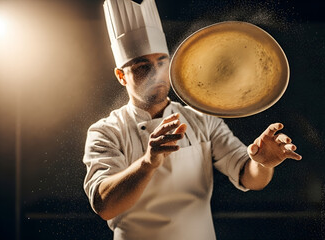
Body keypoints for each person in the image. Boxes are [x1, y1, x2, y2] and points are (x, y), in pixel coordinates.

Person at [83, 0, 302, 239]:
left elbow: (248, 177)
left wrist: (262, 163)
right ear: (121, 76)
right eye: (142, 67)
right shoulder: (105, 131)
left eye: (161, 63)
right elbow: (104, 206)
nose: (155, 74)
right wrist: (148, 162)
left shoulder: (202, 119)